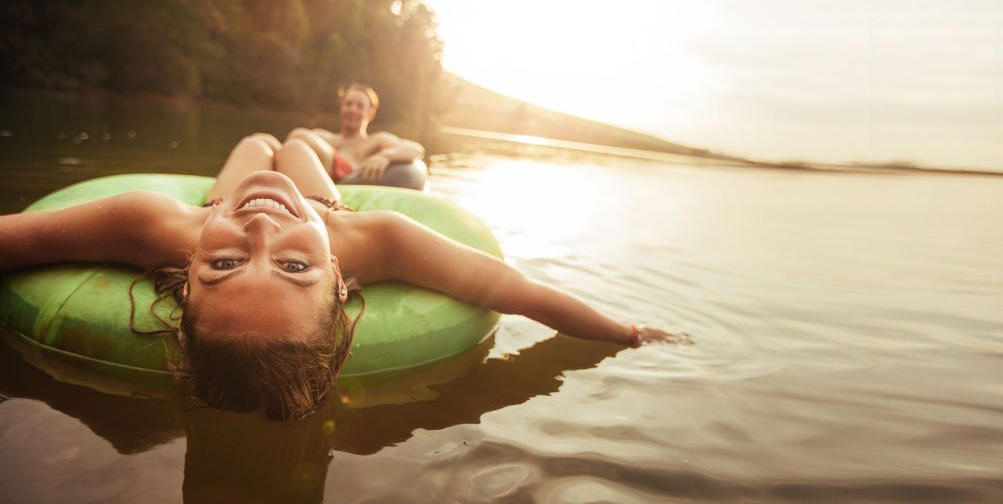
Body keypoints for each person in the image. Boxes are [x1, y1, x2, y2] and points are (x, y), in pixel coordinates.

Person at [0, 134, 672, 421]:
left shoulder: (157, 226)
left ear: (184, 280)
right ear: (340, 281)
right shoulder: (377, 240)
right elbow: (518, 292)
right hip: (320, 209)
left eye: (223, 265)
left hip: (218, 203)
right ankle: (314, 149)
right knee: (287, 148)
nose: (260, 234)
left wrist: (237, 226)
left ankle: (311, 143)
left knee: (266, 148)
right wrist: (629, 332)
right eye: (294, 268)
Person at [285, 83, 424, 182]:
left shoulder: (376, 141)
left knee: (299, 136)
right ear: (341, 108)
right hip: (311, 172)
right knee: (266, 142)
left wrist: (385, 156)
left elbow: (415, 149)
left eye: (359, 106)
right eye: (348, 104)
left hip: (345, 176)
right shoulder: (322, 136)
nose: (352, 110)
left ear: (370, 114)